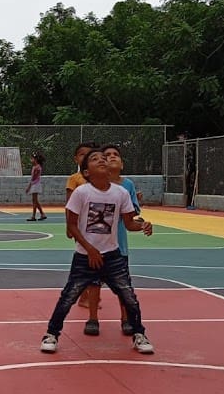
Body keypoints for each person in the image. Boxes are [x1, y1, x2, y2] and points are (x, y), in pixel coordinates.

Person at [40, 147, 155, 356]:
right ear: (86, 172)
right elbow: (72, 225)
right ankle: (51, 334)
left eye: (103, 158)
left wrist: (143, 225)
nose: (102, 160)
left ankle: (139, 334)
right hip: (85, 257)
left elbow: (129, 223)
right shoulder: (81, 193)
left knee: (128, 295)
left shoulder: (120, 193)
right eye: (94, 159)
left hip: (112, 256)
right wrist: (90, 249)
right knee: (69, 296)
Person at [101, 144, 144, 336]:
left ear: (122, 163)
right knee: (91, 284)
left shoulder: (127, 186)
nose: (111, 157)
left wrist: (139, 220)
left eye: (115, 155)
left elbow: (131, 214)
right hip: (97, 244)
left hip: (119, 246)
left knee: (123, 285)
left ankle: (126, 318)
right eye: (107, 155)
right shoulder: (94, 185)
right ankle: (92, 318)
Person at [65, 141, 103, 329]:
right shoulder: (75, 179)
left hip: (97, 229)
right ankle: (83, 296)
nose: (85, 158)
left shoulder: (100, 180)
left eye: (90, 155)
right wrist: (68, 226)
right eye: (82, 155)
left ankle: (89, 295)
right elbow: (69, 204)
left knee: (96, 263)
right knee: (86, 263)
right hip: (81, 229)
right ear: (76, 158)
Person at [25, 152, 47, 221]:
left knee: (34, 201)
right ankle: (42, 214)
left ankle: (34, 216)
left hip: (35, 184)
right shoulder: (35, 167)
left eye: (32, 159)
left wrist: (29, 187)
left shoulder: (37, 167)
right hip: (35, 184)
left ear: (35, 159)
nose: (31, 160)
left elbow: (33, 178)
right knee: (35, 200)